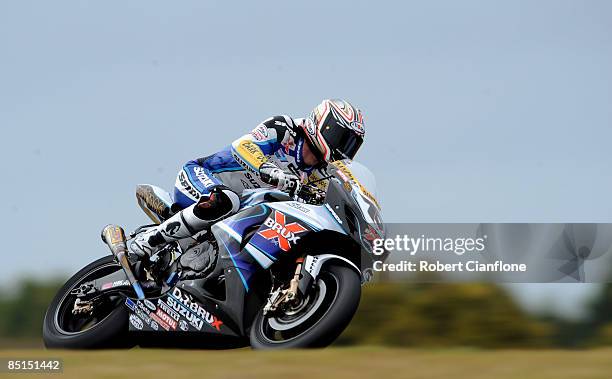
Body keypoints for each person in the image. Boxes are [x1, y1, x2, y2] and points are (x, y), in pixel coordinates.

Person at [128, 99, 366, 259]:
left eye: (351, 145)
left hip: (243, 208)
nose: (344, 149)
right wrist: (268, 169)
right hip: (203, 176)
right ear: (324, 125)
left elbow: (329, 200)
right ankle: (150, 240)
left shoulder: (323, 173)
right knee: (225, 200)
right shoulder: (286, 128)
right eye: (342, 138)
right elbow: (244, 145)